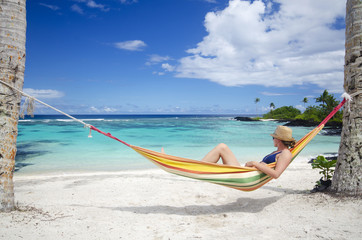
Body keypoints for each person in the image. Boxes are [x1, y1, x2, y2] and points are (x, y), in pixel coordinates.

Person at [201, 125, 296, 179]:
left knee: (221, 147)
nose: (272, 140)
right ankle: (198, 167)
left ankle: (198, 168)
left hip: (245, 177)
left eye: (273, 137)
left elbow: (276, 174)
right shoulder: (278, 151)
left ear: (278, 139)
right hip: (246, 172)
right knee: (222, 147)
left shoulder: (286, 153)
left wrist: (255, 163)